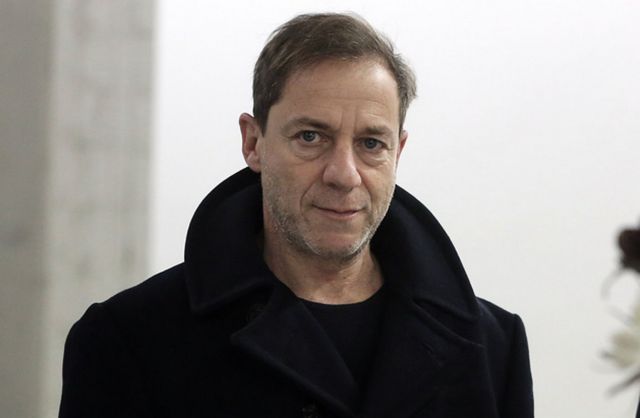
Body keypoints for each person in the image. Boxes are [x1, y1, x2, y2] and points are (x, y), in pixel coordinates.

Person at [59, 13, 533, 418]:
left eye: (371, 143)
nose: (343, 174)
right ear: (254, 143)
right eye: (311, 137)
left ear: (398, 153)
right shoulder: (127, 341)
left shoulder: (494, 348)